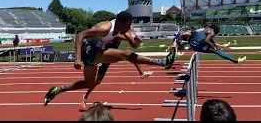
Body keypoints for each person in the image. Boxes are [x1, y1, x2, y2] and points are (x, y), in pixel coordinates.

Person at [43, 11, 177, 106]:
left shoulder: (121, 31)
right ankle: (163, 62)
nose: (129, 27)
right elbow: (80, 35)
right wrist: (77, 58)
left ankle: (58, 90)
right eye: (128, 25)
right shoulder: (106, 27)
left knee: (90, 83)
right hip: (87, 49)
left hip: (94, 54)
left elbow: (134, 46)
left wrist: (136, 40)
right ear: (120, 22)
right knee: (124, 54)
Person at [80, 28, 152, 109]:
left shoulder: (120, 34)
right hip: (104, 57)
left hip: (110, 56)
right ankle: (85, 97)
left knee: (130, 56)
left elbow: (133, 43)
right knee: (97, 81)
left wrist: (137, 40)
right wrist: (135, 38)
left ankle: (141, 73)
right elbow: (129, 40)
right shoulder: (116, 35)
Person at [173, 23, 246, 65]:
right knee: (217, 51)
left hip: (193, 42)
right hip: (198, 45)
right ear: (216, 29)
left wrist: (215, 45)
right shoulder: (212, 32)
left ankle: (182, 45)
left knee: (216, 48)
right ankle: (236, 61)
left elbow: (210, 39)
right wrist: (214, 47)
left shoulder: (207, 30)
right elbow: (207, 40)